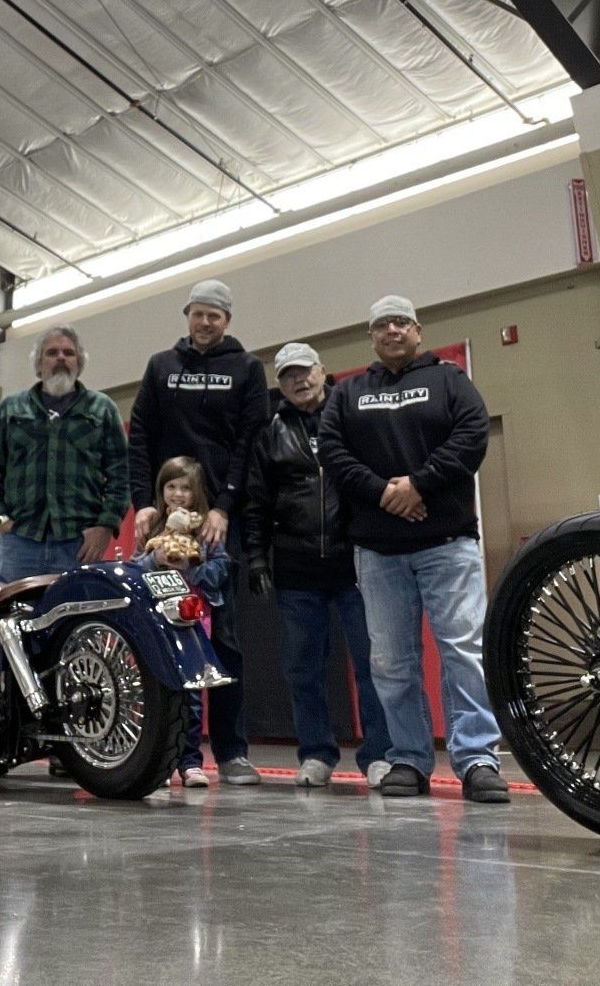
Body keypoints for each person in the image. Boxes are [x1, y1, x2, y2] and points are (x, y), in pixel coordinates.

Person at [318, 296, 509, 804]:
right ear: (372, 337)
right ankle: (408, 757)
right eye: (382, 324)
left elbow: (472, 436)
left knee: (464, 652)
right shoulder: (348, 392)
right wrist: (385, 493)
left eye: (401, 322)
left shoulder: (450, 381)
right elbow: (332, 452)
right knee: (391, 662)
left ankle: (478, 760)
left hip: (448, 544)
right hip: (378, 551)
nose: (393, 330)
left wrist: (418, 485)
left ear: (418, 331)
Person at [128, 279, 270, 785]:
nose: (205, 322)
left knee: (223, 637)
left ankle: (231, 752)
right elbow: (140, 434)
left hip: (217, 523)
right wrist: (144, 502)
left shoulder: (247, 369)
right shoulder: (161, 367)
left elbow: (251, 441)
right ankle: (173, 753)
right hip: (165, 520)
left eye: (215, 315)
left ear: (227, 321)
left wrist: (224, 507)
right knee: (161, 630)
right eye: (198, 314)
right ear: (186, 316)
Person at [244, 341, 393, 788]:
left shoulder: (350, 417)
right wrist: (255, 557)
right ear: (280, 384)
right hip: (296, 568)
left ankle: (379, 757)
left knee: (372, 665)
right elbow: (256, 502)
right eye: (289, 375)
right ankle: (316, 754)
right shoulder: (269, 431)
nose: (299, 380)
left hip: (356, 564)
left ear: (323, 371)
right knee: (302, 667)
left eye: (305, 371)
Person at [0, 324, 128, 580]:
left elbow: (121, 476)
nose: (60, 358)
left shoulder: (102, 410)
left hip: (79, 545)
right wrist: (0, 517)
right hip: (20, 543)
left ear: (79, 363)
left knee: (75, 617)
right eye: (52, 353)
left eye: (68, 353)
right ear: (38, 365)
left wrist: (105, 526)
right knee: (11, 617)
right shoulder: (10, 409)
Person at [133, 457, 232, 789]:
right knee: (157, 692)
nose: (177, 494)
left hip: (194, 618)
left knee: (191, 692)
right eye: (171, 486)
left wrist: (191, 567)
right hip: (156, 619)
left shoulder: (205, 529)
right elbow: (135, 569)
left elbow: (222, 568)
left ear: (197, 492)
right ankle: (157, 763)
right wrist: (154, 560)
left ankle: (190, 762)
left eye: (185, 488)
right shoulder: (152, 527)